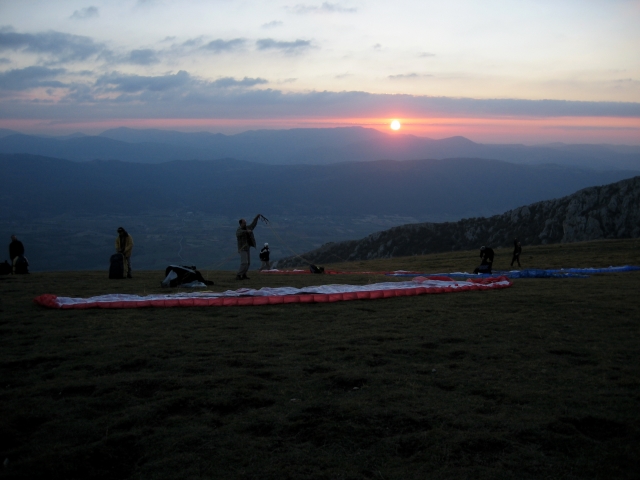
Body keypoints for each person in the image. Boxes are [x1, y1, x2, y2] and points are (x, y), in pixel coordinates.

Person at [236, 214, 261, 280]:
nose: (245, 224)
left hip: (247, 248)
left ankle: (244, 274)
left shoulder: (247, 228)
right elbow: (239, 233)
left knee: (248, 263)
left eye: (245, 223)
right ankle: (239, 275)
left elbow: (253, 225)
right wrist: (246, 231)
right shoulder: (239, 230)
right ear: (241, 223)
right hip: (242, 249)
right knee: (244, 262)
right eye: (244, 223)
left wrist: (256, 218)